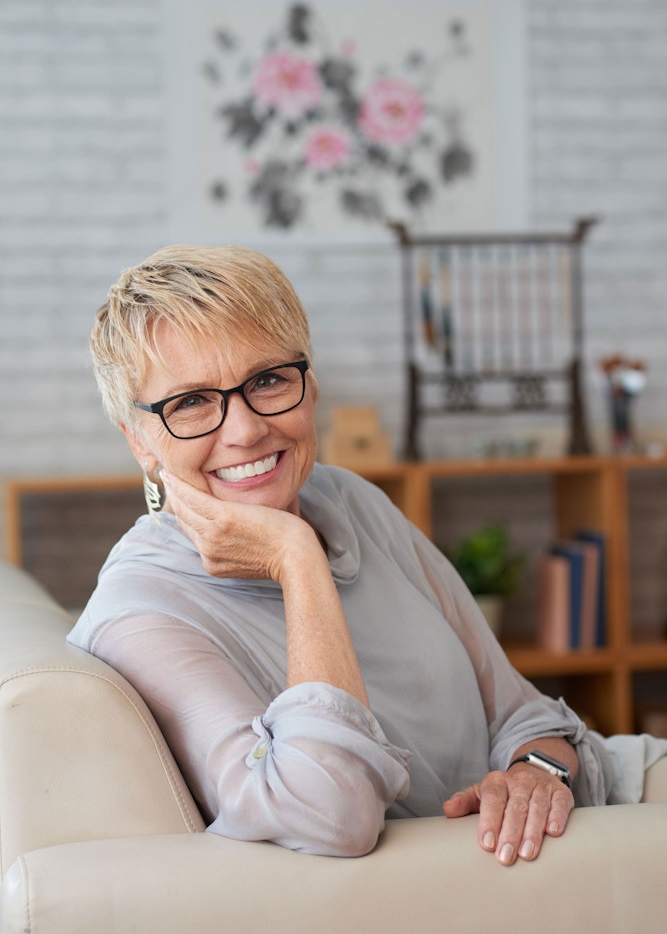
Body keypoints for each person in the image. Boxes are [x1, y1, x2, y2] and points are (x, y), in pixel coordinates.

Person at [68, 245, 666, 863]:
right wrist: (296, 559)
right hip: (468, 882)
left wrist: (537, 773)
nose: (244, 430)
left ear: (311, 387)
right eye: (190, 401)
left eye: (269, 379)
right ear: (139, 441)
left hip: (578, 808)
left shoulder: (348, 499)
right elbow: (329, 816)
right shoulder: (140, 614)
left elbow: (524, 714)